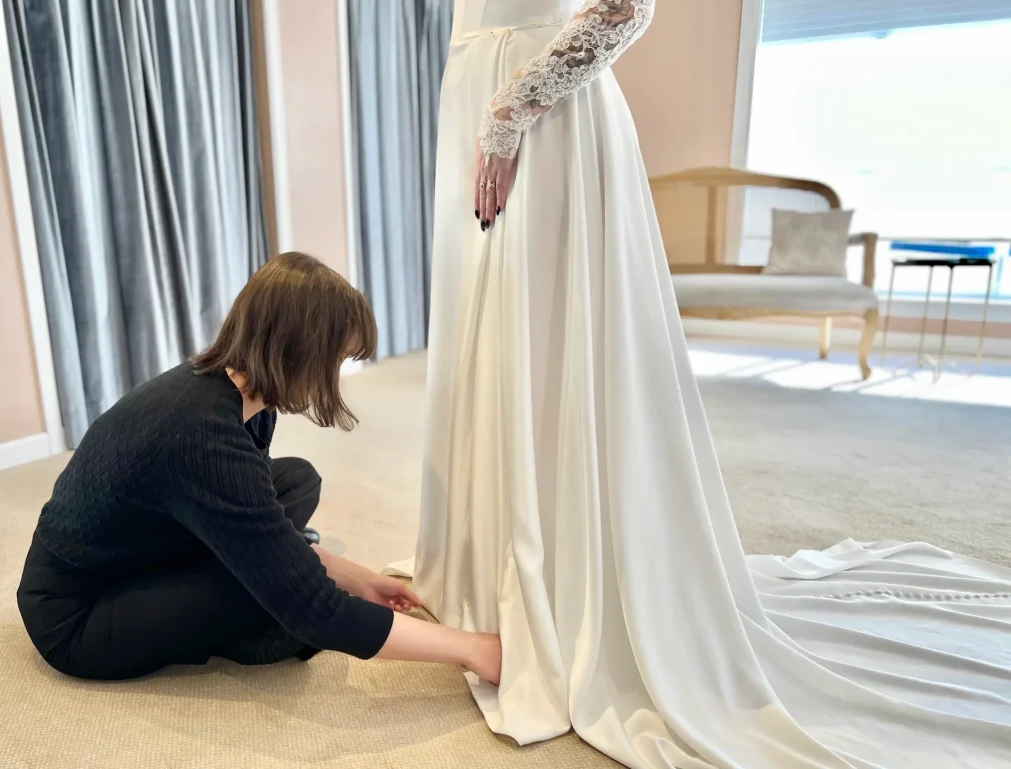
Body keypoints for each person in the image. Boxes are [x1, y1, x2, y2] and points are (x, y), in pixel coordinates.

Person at [390, 2, 1011, 767]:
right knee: (495, 344)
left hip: (541, 117)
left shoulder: (525, 104)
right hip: (481, 102)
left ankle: (563, 580)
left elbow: (625, 6)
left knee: (549, 345)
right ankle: (488, 571)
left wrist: (513, 110)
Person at [16, 252, 501, 685]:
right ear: (298, 352)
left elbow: (261, 517)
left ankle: (254, 583)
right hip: (78, 614)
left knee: (296, 480)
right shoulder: (203, 436)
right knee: (276, 597)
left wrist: (362, 579)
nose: (334, 375)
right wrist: (471, 648)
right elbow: (318, 611)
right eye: (334, 359)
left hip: (133, 551)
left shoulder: (239, 393)